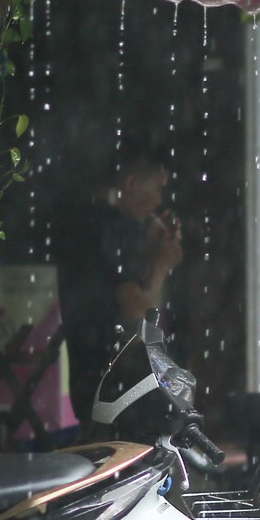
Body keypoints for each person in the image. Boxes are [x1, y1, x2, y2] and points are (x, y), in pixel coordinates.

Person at [55, 146, 183, 424]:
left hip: (86, 368)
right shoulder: (113, 227)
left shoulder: (91, 221)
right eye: (158, 189)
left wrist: (148, 248)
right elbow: (137, 316)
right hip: (115, 378)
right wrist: (161, 263)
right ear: (132, 183)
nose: (159, 202)